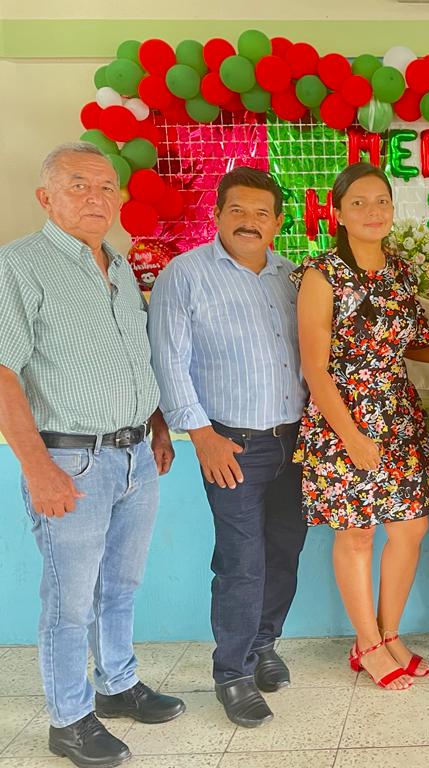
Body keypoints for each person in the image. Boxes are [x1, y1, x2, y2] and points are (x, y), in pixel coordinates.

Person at [0, 142, 184, 768]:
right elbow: (2, 373)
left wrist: (157, 425)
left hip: (135, 456)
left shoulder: (121, 266)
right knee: (69, 601)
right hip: (70, 461)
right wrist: (38, 469)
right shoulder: (20, 265)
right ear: (46, 197)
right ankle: (69, 720)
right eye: (79, 185)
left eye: (107, 187)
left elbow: (136, 356)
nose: (96, 198)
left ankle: (117, 683)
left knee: (121, 586)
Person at [148, 167, 309, 728]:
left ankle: (264, 644)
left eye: (262, 213)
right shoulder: (185, 275)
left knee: (284, 550)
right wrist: (202, 436)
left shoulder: (291, 277)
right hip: (231, 445)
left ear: (278, 223)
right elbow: (167, 360)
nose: (249, 222)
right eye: (237, 210)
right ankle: (232, 674)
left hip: (296, 443)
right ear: (217, 215)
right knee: (241, 561)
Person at [293, 163, 429, 691]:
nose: (372, 211)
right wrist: (352, 437)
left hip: (397, 413)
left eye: (381, 201)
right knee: (357, 533)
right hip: (342, 416)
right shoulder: (321, 273)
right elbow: (314, 367)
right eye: (358, 202)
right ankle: (368, 644)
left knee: (410, 527)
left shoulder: (402, 272)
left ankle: (389, 631)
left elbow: (415, 344)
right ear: (338, 212)